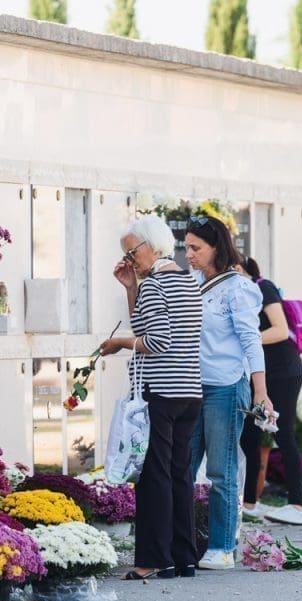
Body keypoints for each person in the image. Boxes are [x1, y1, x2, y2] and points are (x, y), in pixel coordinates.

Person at [100, 215, 203, 580]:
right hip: (189, 391)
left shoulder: (156, 285)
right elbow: (146, 326)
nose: (130, 260)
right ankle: (183, 557)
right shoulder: (187, 281)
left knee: (153, 476)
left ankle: (152, 560)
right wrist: (131, 288)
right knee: (179, 474)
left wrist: (119, 343)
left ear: (153, 246)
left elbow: (155, 342)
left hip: (160, 392)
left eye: (132, 252)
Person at [184, 216, 272, 571]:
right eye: (186, 247)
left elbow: (251, 340)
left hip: (226, 386)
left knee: (221, 470)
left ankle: (222, 547)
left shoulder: (238, 288)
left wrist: (260, 391)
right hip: (191, 386)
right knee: (183, 466)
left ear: (216, 247)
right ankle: (181, 543)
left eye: (196, 248)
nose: (188, 254)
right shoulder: (191, 282)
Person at [236, 257, 302, 526]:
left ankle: (297, 505)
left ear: (241, 268)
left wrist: (246, 338)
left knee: (283, 433)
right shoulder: (236, 295)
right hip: (260, 373)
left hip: (284, 372)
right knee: (250, 436)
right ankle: (250, 503)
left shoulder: (262, 287)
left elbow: (280, 330)